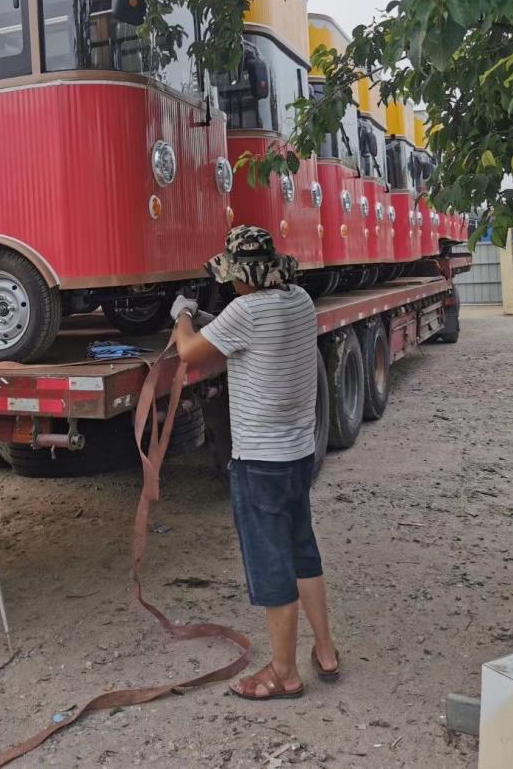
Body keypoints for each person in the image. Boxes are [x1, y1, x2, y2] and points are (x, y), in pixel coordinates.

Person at [170, 225, 339, 701]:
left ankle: (283, 673)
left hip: (258, 462)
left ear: (243, 275)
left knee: (272, 568)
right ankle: (325, 651)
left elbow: (189, 351)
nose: (229, 286)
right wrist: (209, 317)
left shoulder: (245, 311)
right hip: (297, 454)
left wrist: (182, 315)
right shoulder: (300, 301)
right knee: (302, 550)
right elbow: (239, 328)